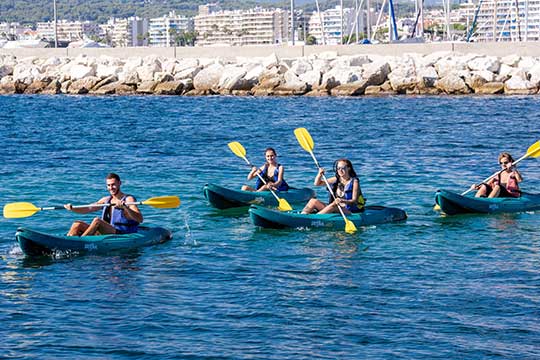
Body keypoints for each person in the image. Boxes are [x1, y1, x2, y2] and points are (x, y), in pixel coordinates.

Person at [64, 173, 143, 236]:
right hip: (107, 232)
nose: (111, 188)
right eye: (108, 185)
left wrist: (125, 207)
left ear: (119, 183)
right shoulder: (105, 200)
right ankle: (67, 242)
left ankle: (81, 243)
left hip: (121, 233)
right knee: (77, 224)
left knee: (97, 221)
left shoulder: (129, 199)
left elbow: (140, 219)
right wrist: (72, 208)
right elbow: (88, 208)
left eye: (113, 184)